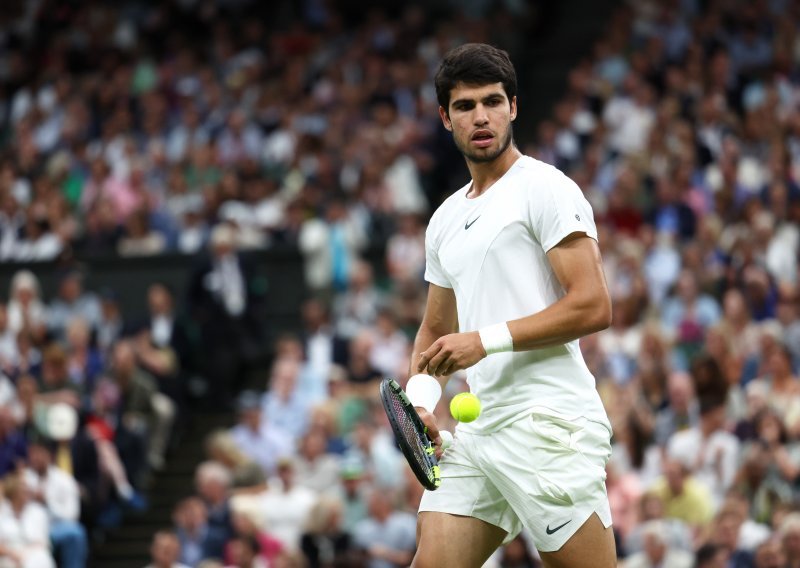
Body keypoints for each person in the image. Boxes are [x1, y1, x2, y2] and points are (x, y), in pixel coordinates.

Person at [407, 43, 616, 567]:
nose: (481, 116)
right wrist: (421, 402)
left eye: (493, 101)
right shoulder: (444, 220)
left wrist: (485, 340)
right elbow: (435, 328)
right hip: (478, 434)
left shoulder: (545, 188)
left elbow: (593, 306)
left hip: (549, 424)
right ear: (445, 118)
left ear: (514, 107)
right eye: (465, 105)